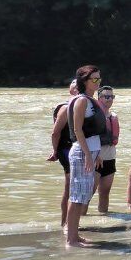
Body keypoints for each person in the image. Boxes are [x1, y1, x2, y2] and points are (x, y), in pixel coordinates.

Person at [66, 65, 107, 248]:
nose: (98, 82)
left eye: (99, 79)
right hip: (82, 153)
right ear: (84, 81)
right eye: (95, 79)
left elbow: (94, 133)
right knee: (77, 198)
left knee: (82, 196)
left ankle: (76, 235)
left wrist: (96, 154)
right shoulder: (82, 101)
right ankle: (72, 239)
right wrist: (88, 156)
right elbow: (77, 130)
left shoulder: (90, 99)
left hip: (90, 152)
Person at [48, 79, 78, 229]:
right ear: (70, 89)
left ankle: (69, 223)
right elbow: (55, 132)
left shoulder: (80, 104)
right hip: (66, 149)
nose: (76, 84)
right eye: (73, 83)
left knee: (73, 187)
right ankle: (65, 223)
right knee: (69, 188)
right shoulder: (66, 108)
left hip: (74, 148)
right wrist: (54, 151)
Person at [93, 84, 120, 214]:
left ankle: (103, 220)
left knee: (105, 193)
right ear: (99, 98)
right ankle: (81, 222)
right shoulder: (93, 115)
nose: (109, 99)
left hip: (110, 157)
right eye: (106, 96)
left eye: (112, 96)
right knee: (88, 193)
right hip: (96, 158)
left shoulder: (113, 116)